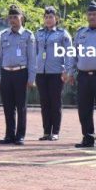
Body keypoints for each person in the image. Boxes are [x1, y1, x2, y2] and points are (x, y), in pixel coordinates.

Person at [68, 1, 96, 149]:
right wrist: (71, 72)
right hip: (83, 76)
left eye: (95, 14)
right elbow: (73, 54)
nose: (92, 17)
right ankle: (88, 137)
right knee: (84, 108)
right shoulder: (81, 33)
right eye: (90, 14)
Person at [0, 5, 36, 146]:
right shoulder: (4, 35)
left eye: (15, 17)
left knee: (21, 106)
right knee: (8, 106)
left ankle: (20, 135)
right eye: (10, 17)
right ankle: (9, 134)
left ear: (21, 18)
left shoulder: (28, 35)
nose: (12, 20)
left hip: (21, 73)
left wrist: (31, 78)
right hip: (6, 73)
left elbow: (32, 59)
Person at [35, 7, 73, 141]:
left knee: (55, 103)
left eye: (51, 17)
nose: (48, 20)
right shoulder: (39, 33)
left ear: (56, 19)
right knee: (44, 103)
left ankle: (55, 131)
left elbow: (69, 53)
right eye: (46, 17)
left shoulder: (63, 34)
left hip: (56, 73)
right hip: (41, 73)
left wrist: (67, 70)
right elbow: (35, 52)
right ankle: (46, 131)